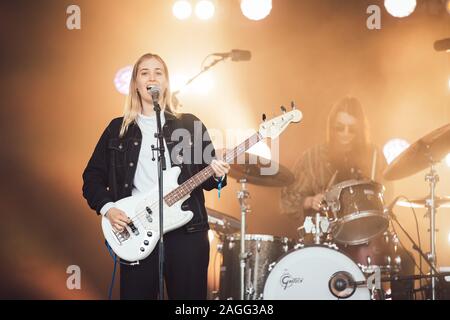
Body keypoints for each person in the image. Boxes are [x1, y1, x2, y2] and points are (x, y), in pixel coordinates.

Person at [82, 53, 230, 300]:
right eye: (145, 72)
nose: (152, 77)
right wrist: (108, 208)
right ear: (136, 85)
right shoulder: (117, 129)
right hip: (137, 228)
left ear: (166, 83)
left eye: (158, 72)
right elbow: (92, 178)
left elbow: (208, 180)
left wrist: (217, 175)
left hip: (188, 234)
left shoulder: (190, 124)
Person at [280, 96, 416, 299]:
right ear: (331, 127)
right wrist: (310, 201)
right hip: (328, 237)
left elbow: (386, 195)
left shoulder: (374, 156)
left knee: (405, 260)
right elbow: (287, 199)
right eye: (339, 127)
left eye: (351, 129)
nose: (345, 134)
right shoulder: (313, 157)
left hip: (369, 237)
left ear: (360, 130)